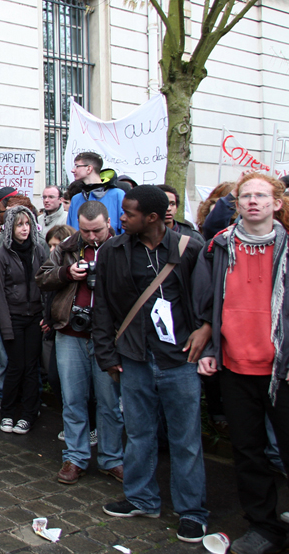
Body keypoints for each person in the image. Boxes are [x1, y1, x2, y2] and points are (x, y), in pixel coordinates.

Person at [91, 185, 208, 543]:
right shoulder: (113, 250)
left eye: (128, 213)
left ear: (152, 218)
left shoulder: (191, 249)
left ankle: (192, 511)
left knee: (186, 439)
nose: (121, 217)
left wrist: (205, 330)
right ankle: (142, 498)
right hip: (134, 357)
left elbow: (207, 300)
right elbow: (104, 307)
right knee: (139, 433)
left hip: (179, 359)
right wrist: (107, 355)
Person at [194, 173, 289, 554]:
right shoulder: (218, 247)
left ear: (277, 204)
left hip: (282, 370)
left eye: (261, 196)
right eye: (245, 196)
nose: (252, 201)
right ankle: (263, 527)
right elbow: (206, 304)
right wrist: (210, 349)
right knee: (248, 453)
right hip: (235, 366)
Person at [36, 200, 124, 485]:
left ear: (108, 223)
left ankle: (112, 459)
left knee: (109, 403)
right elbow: (42, 277)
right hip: (70, 333)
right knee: (72, 400)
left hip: (107, 338)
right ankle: (75, 457)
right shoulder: (67, 247)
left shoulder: (121, 247)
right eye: (86, 231)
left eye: (97, 230)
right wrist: (67, 273)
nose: (92, 236)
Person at [0, 203, 48, 435]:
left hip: (34, 316)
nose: (25, 229)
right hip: (13, 317)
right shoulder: (2, 255)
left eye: (28, 224)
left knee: (31, 366)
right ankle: (8, 412)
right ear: (10, 228)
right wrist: (6, 326)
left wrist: (47, 315)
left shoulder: (39, 250)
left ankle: (28, 413)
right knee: (15, 365)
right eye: (19, 225)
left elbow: (47, 283)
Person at [66, 152, 126, 233]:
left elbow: (125, 232)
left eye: (77, 166)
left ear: (89, 168)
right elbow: (70, 233)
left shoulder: (117, 195)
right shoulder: (76, 199)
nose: (73, 170)